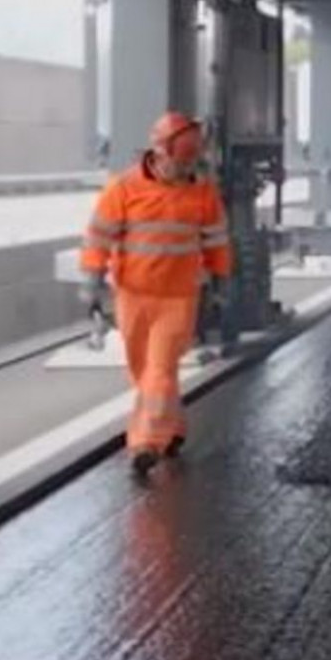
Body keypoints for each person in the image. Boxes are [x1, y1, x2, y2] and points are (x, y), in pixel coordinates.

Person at [79, 112, 232, 476]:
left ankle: (143, 443)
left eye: (190, 162)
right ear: (158, 153)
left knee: (160, 369)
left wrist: (220, 283)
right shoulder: (124, 189)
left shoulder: (203, 193)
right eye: (179, 162)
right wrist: (93, 279)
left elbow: (217, 241)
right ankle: (173, 428)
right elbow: (98, 237)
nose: (184, 170)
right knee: (143, 372)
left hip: (178, 297)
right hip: (132, 295)